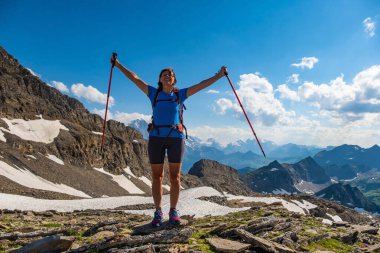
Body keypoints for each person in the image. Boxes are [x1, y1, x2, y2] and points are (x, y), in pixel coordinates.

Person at [112, 56, 227, 226]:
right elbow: (135, 78)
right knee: (157, 176)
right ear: (160, 79)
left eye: (170, 75)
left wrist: (218, 76)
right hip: (156, 137)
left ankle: (173, 211)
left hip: (175, 138)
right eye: (164, 74)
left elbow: (201, 85)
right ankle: (158, 212)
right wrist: (118, 64)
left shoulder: (180, 95)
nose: (167, 76)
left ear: (174, 80)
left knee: (175, 177)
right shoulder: (154, 93)